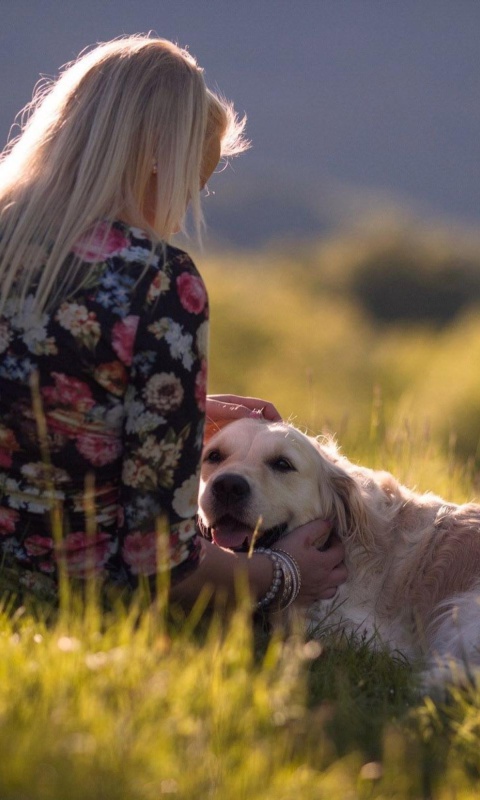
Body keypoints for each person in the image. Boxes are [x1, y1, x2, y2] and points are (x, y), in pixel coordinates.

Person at [0, 34, 347, 611]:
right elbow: (157, 560)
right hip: (64, 598)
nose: (187, 201)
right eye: (195, 174)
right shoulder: (157, 279)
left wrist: (185, 412)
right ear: (160, 158)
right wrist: (282, 575)